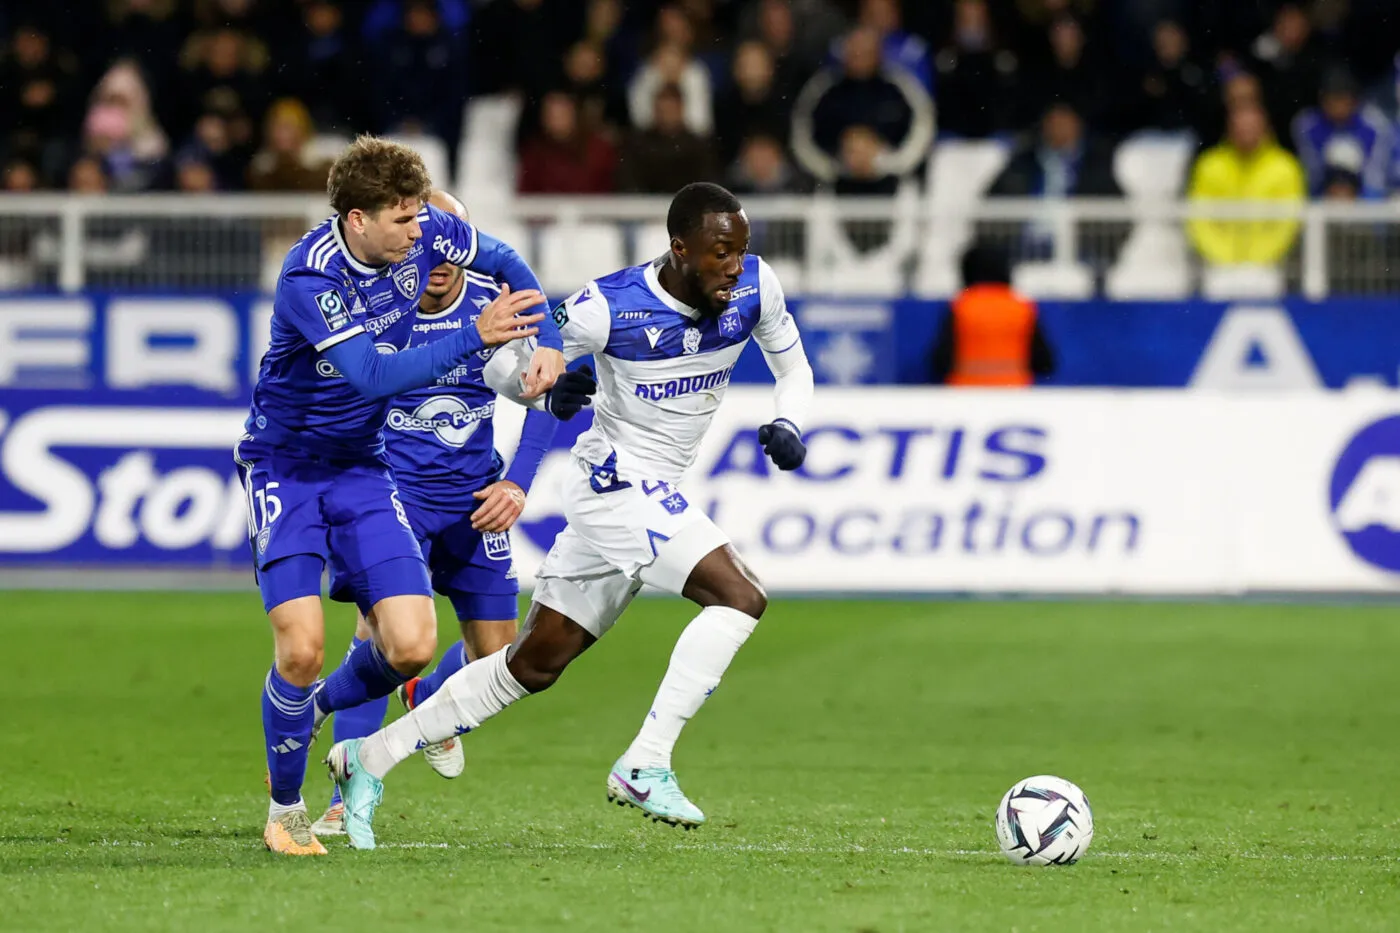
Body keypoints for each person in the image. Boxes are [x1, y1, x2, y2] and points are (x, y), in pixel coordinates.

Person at [325, 183, 816, 849]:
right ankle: (646, 762)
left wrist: (790, 421)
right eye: (721, 253)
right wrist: (548, 389)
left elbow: (795, 370)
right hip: (612, 482)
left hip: (650, 492)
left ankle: (369, 757)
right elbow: (504, 364)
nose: (735, 266)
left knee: (532, 664)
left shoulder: (756, 287)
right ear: (680, 248)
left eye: (742, 251)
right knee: (740, 597)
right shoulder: (607, 305)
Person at [239, 135, 567, 857]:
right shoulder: (311, 277)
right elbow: (372, 376)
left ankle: (316, 716)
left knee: (414, 646)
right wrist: (473, 337)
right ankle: (287, 809)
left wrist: (546, 338)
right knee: (302, 648)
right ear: (358, 220)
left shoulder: (428, 231)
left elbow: (509, 263)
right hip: (286, 468)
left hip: (363, 467)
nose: (422, 234)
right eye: (405, 220)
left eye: (422, 217)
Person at [309, 190, 584, 836]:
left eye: (450, 241)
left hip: (473, 501)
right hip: (393, 499)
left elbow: (545, 396)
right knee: (382, 633)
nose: (437, 256)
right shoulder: (377, 308)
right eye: (422, 240)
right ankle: (343, 797)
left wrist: (516, 483)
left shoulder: (495, 307)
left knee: (502, 655)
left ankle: (425, 695)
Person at [1187, 103, 1305, 266]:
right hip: (1217, 263)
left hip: (1271, 264)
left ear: (1265, 129)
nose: (1246, 134)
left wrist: (1260, 258)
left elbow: (1289, 223)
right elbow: (1198, 219)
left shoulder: (1285, 167)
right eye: (1240, 128)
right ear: (1229, 129)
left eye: (1251, 128)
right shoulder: (1209, 165)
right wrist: (1222, 257)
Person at [930, 242, 1054, 386]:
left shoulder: (961, 306)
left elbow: (941, 361)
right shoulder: (1023, 308)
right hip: (1014, 391)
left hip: (966, 392)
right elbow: (1044, 362)